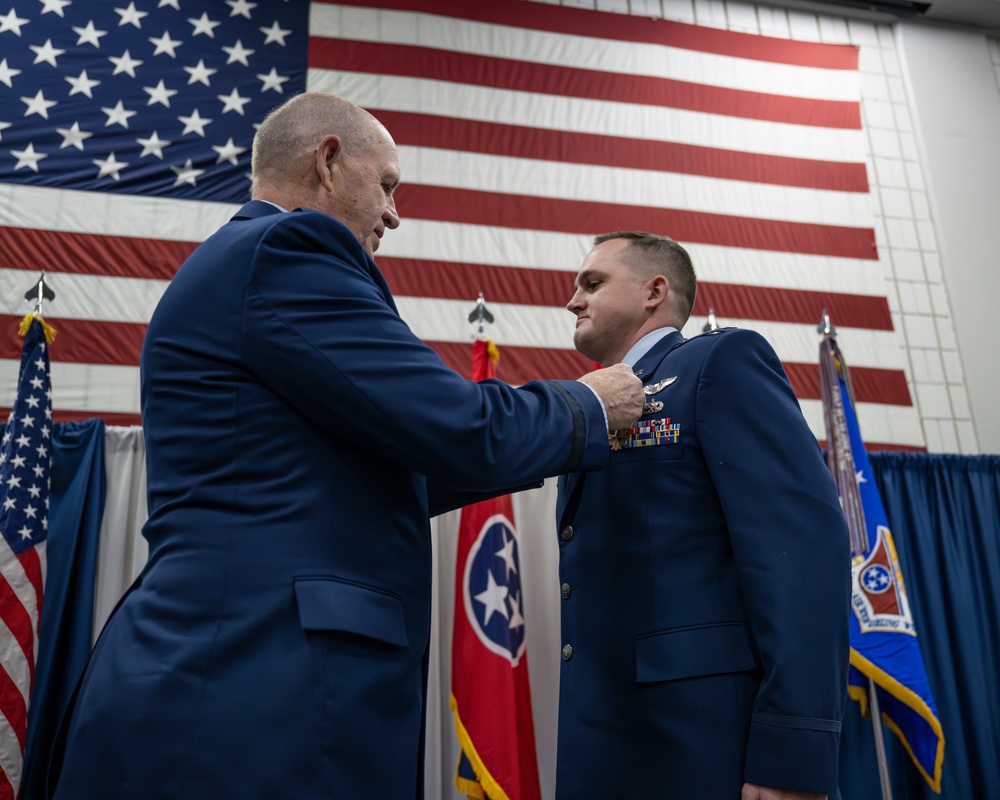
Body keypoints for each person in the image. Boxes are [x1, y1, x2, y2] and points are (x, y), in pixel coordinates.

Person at [48, 93, 643, 799]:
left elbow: (386, 471)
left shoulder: (242, 264)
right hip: (256, 689)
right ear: (328, 163)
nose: (396, 213)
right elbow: (457, 426)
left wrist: (536, 448)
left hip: (234, 682)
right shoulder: (285, 248)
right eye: (388, 184)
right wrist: (588, 406)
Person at [555, 232, 851, 800]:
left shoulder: (718, 362)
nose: (573, 300)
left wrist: (793, 750)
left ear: (654, 291)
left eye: (592, 283)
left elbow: (802, 553)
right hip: (608, 741)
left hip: (706, 741)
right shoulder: (591, 405)